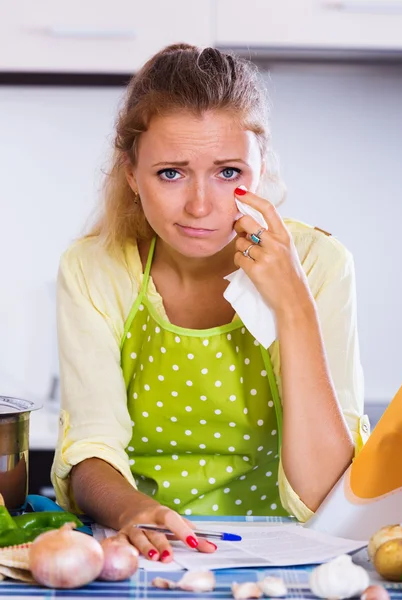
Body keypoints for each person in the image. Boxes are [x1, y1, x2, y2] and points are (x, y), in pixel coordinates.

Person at [51, 43, 370, 562]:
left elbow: (325, 497)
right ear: (132, 174)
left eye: (228, 173)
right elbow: (90, 448)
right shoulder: (94, 268)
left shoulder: (319, 264)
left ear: (260, 168)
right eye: (171, 173)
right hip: (142, 552)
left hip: (289, 558)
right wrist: (132, 510)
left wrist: (293, 305)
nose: (201, 206)